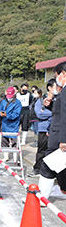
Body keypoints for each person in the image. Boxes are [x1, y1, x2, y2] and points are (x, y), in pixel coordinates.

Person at [38, 62, 66, 201]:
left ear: (63, 74)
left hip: (60, 135)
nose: (57, 80)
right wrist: (50, 105)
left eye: (56, 76)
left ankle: (42, 198)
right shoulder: (63, 92)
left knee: (48, 165)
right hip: (58, 133)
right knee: (59, 166)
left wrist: (64, 139)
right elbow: (60, 111)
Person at [29, 85, 53, 177]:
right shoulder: (40, 101)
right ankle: (37, 169)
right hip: (43, 129)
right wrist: (53, 114)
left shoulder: (56, 101)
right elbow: (39, 114)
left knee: (51, 151)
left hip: (54, 129)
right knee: (41, 150)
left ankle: (49, 171)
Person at [0, 86, 22, 162]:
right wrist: (0, 113)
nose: (9, 98)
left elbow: (16, 114)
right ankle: (6, 157)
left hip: (13, 125)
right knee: (4, 141)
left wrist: (7, 115)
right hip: (4, 124)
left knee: (15, 141)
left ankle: (15, 159)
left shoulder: (18, 103)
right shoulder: (3, 101)